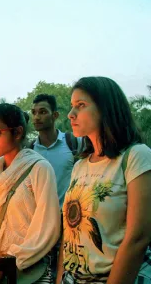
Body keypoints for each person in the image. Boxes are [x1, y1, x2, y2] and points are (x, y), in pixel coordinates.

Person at [56, 77, 151, 283]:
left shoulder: (135, 156)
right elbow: (69, 233)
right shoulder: (80, 165)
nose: (71, 115)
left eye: (80, 106)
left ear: (106, 108)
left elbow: (138, 237)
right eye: (72, 107)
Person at [0, 103, 60, 284]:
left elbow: (46, 227)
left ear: (18, 132)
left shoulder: (39, 168)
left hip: (27, 270)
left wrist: (10, 262)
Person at [30, 94, 82, 207]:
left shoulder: (73, 142)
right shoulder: (30, 151)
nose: (36, 117)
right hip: (39, 219)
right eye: (34, 112)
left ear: (55, 115)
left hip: (69, 217)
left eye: (42, 112)